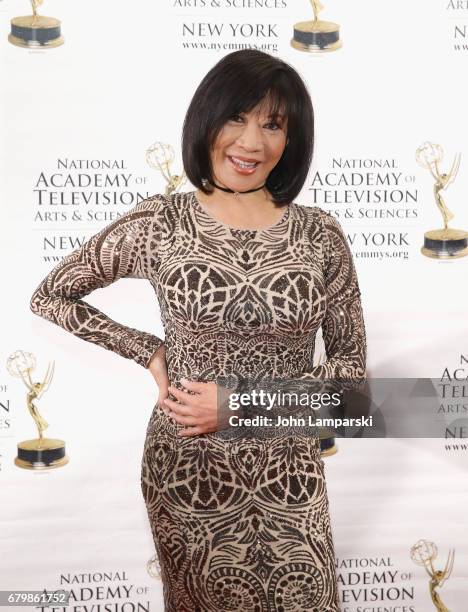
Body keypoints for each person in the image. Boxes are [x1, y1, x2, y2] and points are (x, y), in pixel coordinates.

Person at [30, 49, 366, 611]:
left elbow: (353, 385)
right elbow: (52, 294)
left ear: (292, 140)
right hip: (190, 469)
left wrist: (238, 407)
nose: (252, 142)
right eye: (237, 116)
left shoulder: (319, 235)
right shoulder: (162, 222)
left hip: (290, 473)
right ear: (206, 120)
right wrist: (148, 350)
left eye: (273, 124)